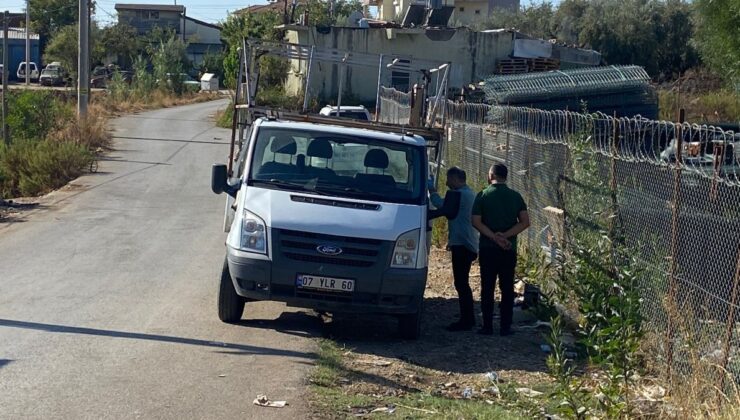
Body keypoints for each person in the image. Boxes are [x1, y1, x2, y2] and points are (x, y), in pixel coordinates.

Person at [472, 163, 530, 336]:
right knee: (506, 288)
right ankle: (506, 326)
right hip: (508, 249)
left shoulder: (482, 195)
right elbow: (525, 222)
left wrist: (493, 236)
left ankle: (487, 325)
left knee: (487, 287)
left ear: (490, 176)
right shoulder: (515, 196)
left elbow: (476, 221)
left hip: (488, 248)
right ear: (506, 177)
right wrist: (505, 236)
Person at [429, 167, 480, 331]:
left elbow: (442, 206)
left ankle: (467, 320)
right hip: (466, 243)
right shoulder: (468, 193)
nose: (447, 182)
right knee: (462, 282)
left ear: (457, 178)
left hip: (463, 245)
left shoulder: (460, 195)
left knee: (461, 283)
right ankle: (467, 317)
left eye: (449, 179)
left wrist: (431, 190)